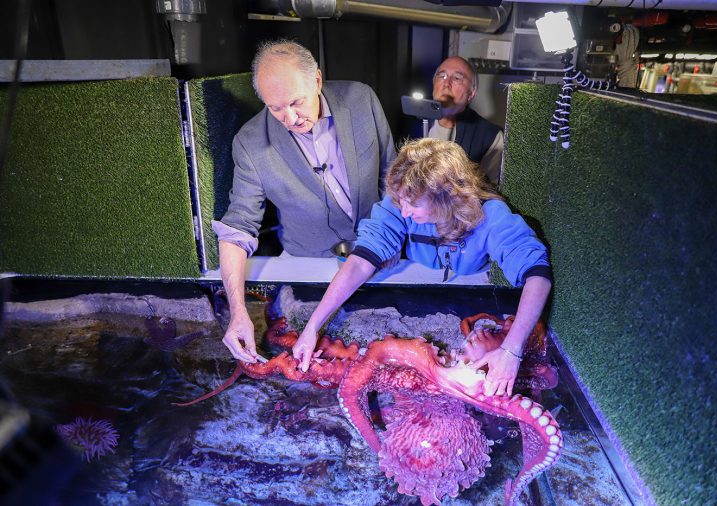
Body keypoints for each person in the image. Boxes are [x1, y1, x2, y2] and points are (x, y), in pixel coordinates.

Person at [293, 138, 552, 397]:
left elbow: (538, 276)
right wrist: (312, 327)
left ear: (447, 197)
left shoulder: (491, 216)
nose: (404, 212)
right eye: (400, 201)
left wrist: (510, 350)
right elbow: (360, 262)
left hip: (472, 280)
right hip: (418, 273)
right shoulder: (398, 205)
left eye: (414, 204)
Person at [214, 39, 396, 363]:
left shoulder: (362, 99)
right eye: (275, 108)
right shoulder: (249, 143)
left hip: (383, 261)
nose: (290, 117)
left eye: (296, 102)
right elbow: (237, 227)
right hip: (310, 270)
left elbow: (393, 177)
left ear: (317, 80)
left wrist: (394, 240)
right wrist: (237, 310)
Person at [429, 56, 503, 185]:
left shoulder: (490, 137)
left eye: (457, 78)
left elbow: (491, 192)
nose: (446, 84)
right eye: (442, 76)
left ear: (471, 93)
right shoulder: (413, 123)